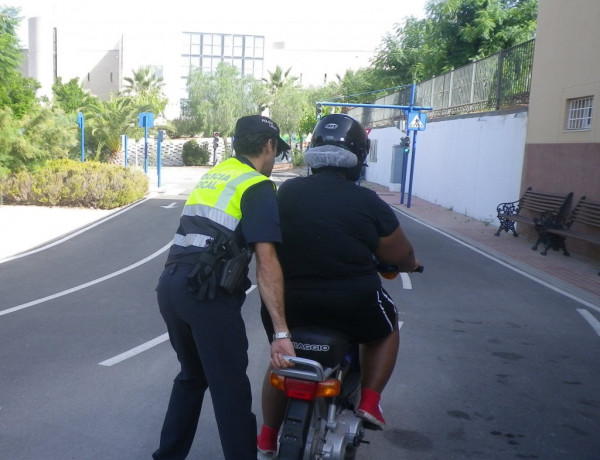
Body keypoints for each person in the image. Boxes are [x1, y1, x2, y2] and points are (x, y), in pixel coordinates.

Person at [257, 113, 421, 455]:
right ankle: (371, 401)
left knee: (281, 361)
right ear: (359, 158)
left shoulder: (285, 192)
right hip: (351, 303)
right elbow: (400, 254)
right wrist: (411, 264)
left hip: (289, 304)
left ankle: (267, 437)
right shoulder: (367, 201)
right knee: (388, 325)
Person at [153, 115, 296, 460]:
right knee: (230, 390)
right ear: (268, 146)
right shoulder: (257, 186)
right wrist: (281, 333)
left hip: (172, 287)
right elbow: (267, 261)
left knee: (192, 376)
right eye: (276, 152)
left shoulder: (216, 174)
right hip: (207, 296)